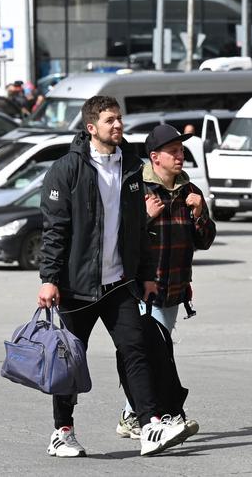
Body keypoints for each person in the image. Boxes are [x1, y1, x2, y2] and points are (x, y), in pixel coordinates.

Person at [37, 95, 193, 458]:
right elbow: (55, 228)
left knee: (135, 348)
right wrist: (49, 278)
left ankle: (150, 424)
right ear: (92, 128)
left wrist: (146, 276)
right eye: (110, 120)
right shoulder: (67, 169)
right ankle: (62, 431)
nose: (118, 125)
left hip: (119, 283)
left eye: (119, 119)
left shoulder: (132, 168)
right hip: (76, 286)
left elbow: (137, 229)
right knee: (70, 360)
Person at [116, 124, 215, 439]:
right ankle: (160, 415)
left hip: (173, 288)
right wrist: (143, 217)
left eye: (181, 150)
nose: (180, 156)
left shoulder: (190, 191)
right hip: (142, 286)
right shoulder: (137, 189)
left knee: (150, 351)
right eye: (173, 151)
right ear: (154, 157)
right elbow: (118, 239)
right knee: (154, 351)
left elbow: (205, 241)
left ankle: (133, 415)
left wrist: (200, 214)